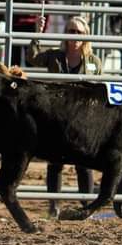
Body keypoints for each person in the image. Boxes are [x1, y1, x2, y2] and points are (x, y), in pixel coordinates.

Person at [27, 15, 102, 218]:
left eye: (79, 32)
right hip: (57, 115)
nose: (74, 36)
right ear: (64, 34)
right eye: (70, 31)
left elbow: (98, 90)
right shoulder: (54, 56)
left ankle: (87, 206)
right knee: (55, 162)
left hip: (84, 118)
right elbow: (32, 58)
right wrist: (37, 33)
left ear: (86, 36)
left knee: (84, 163)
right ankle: (54, 206)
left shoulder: (94, 62)